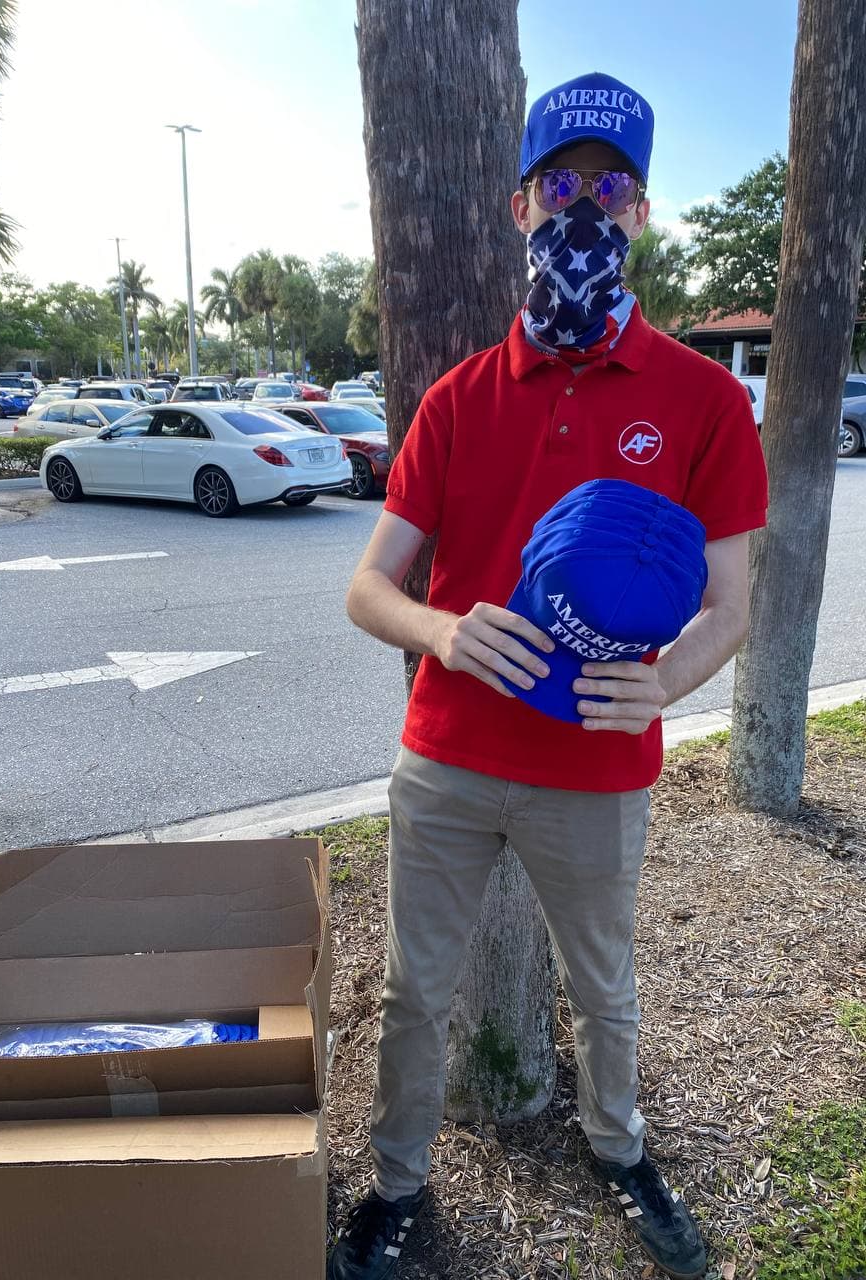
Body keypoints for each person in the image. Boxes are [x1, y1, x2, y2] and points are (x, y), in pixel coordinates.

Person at [328, 71, 768, 1280]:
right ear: (521, 206)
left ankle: (620, 1152)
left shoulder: (703, 397)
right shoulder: (460, 399)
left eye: (610, 187)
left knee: (606, 990)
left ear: (640, 213)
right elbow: (368, 588)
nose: (585, 207)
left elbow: (732, 605)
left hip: (596, 769)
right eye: (560, 184)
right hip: (449, 760)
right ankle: (396, 1186)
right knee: (418, 992)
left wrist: (667, 681)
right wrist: (441, 629)